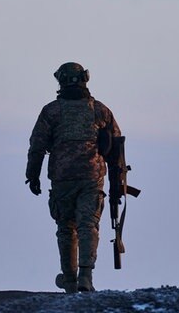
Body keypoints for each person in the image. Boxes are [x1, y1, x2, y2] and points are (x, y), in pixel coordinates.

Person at [25, 62, 121, 293]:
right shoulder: (100, 110)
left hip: (62, 177)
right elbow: (116, 147)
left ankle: (70, 279)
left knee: (66, 227)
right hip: (92, 176)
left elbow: (37, 145)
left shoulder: (51, 111)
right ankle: (85, 276)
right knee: (88, 224)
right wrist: (117, 181)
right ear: (85, 79)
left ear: (60, 80)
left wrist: (33, 175)